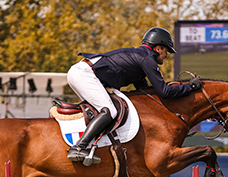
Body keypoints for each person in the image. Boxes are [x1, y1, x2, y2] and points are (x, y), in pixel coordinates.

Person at [65, 27, 203, 165]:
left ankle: (92, 146)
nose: (166, 55)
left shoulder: (140, 59)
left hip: (83, 73)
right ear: (158, 48)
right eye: (166, 50)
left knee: (107, 109)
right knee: (110, 110)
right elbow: (164, 92)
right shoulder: (148, 59)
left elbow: (146, 92)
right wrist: (190, 87)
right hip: (84, 74)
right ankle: (78, 147)